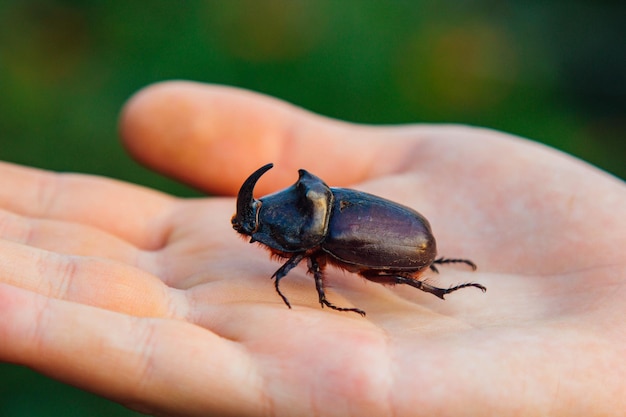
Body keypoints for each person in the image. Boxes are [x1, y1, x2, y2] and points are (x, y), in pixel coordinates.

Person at [0, 81, 624, 416]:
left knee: (392, 279)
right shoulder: (311, 215)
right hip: (409, 232)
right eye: (259, 221)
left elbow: (328, 264)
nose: (257, 226)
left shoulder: (322, 240)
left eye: (262, 222)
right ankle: (439, 279)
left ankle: (440, 286)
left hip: (406, 244)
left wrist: (323, 293)